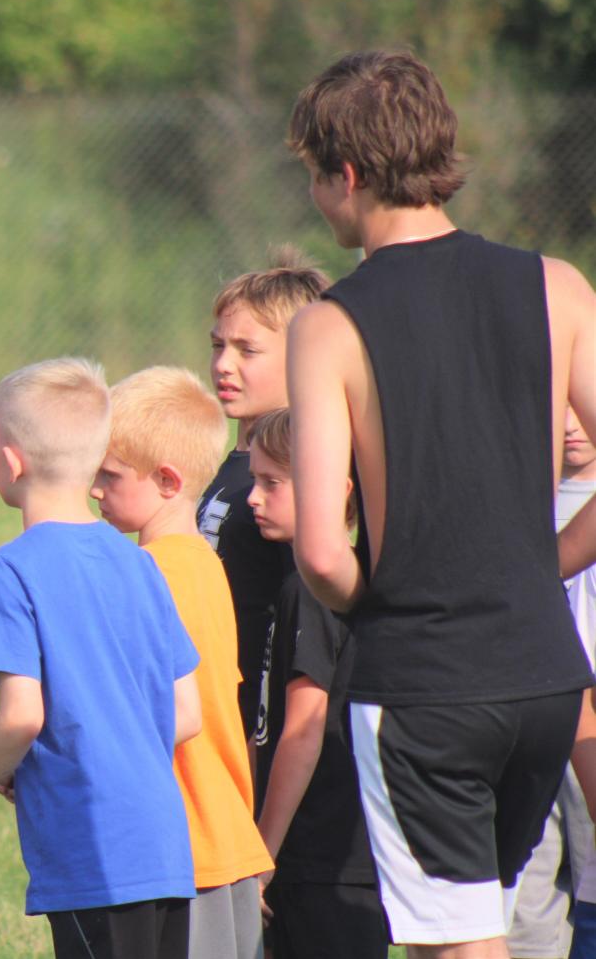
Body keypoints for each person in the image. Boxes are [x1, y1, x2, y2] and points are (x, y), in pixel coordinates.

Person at [285, 49, 596, 958]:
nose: (315, 199)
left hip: (426, 683)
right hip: (545, 672)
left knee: (458, 946)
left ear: (347, 174)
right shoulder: (559, 285)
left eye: (313, 178)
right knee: (454, 933)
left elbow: (319, 550)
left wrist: (370, 601)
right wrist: (552, 564)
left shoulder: (328, 324)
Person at [0, 357, 202, 959]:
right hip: (163, 846)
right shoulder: (141, 562)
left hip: (92, 847)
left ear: (11, 462)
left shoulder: (10, 570)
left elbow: (21, 717)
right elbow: (186, 712)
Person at [90, 365, 273, 959]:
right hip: (225, 835)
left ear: (167, 480)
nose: (95, 489)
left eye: (109, 475)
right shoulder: (204, 564)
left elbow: (166, 713)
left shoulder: (149, 573)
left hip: (182, 847)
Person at [245, 408, 387, 959]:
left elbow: (303, 728)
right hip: (330, 857)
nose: (253, 497)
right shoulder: (306, 583)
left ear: (333, 487)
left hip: (320, 857)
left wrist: (262, 855)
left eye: (270, 482)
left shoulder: (309, 589)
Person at [197, 249, 330, 739]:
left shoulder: (299, 473)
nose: (223, 365)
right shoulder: (232, 464)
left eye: (246, 350)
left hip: (255, 720)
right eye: (217, 346)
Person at [515, 407, 596, 959]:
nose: (568, 420)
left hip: (589, 722)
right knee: (526, 895)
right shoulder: (520, 496)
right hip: (528, 711)